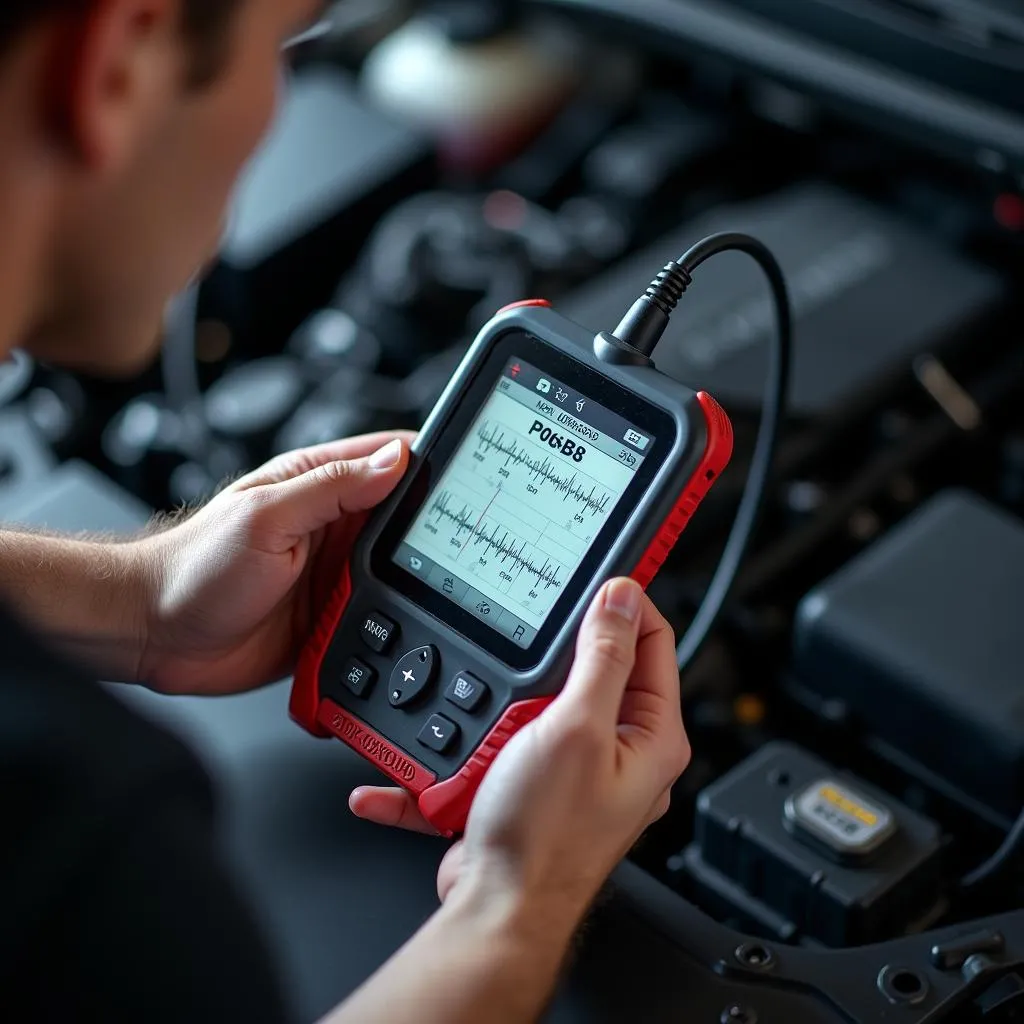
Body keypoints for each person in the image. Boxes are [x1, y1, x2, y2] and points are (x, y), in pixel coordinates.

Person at [0, 2, 692, 1021]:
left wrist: (143, 599)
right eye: (283, 46)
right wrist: (523, 895)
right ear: (116, 63)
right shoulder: (77, 835)